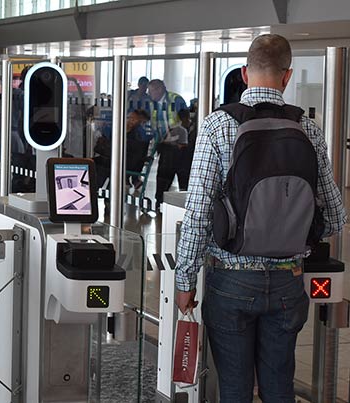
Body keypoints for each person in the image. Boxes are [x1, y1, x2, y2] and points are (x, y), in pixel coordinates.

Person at [175, 34, 347, 402]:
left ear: (244, 73)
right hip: (288, 283)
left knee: (235, 390)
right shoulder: (309, 130)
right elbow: (335, 217)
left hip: (231, 281)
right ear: (287, 76)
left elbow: (198, 212)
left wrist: (184, 280)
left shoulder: (217, 126)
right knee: (278, 389)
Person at [147, 79, 187, 207]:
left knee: (181, 174)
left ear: (159, 89)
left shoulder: (175, 99)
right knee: (163, 175)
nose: (149, 93)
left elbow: (185, 120)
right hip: (165, 145)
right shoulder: (153, 104)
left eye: (151, 90)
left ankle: (183, 203)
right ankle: (160, 202)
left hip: (178, 145)